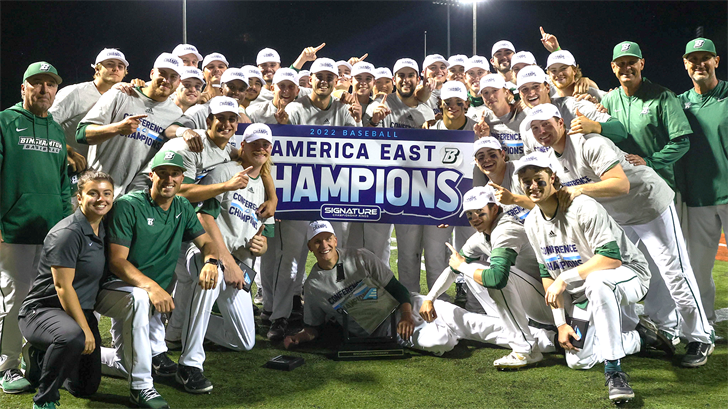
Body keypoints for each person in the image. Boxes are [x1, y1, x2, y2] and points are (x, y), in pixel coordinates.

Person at [524, 103, 714, 366]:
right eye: (535, 128)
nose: (541, 131)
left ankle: (701, 337)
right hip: (617, 217)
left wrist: (581, 191)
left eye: (546, 124)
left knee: (674, 271)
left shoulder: (588, 143)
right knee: (611, 273)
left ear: (560, 123)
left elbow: (621, 184)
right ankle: (636, 332)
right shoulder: (549, 160)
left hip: (648, 204)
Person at [515, 153, 669, 403]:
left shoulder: (582, 206)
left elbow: (610, 259)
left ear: (553, 177)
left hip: (628, 274)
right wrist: (560, 323)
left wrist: (564, 277)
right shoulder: (531, 222)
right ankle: (640, 337)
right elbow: (546, 272)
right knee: (578, 360)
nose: (532, 186)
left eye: (538, 179)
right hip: (583, 291)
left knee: (598, 282)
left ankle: (614, 371)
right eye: (526, 181)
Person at [95, 150, 219, 408]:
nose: (168, 179)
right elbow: (117, 262)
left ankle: (191, 364)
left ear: (182, 177)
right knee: (139, 302)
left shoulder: (182, 205)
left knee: (209, 270)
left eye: (174, 173)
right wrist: (152, 287)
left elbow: (207, 242)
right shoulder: (128, 205)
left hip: (151, 301)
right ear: (151, 175)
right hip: (119, 290)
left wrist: (211, 262)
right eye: (162, 173)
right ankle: (141, 387)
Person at [284, 221, 511, 356]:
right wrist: (299, 338)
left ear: (335, 240)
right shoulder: (313, 285)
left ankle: (541, 339)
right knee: (441, 341)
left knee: (473, 322)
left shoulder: (360, 256)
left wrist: (406, 315)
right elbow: (313, 327)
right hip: (385, 328)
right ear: (310, 247)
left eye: (327, 239)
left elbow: (397, 288)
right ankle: (450, 328)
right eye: (317, 242)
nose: (323, 245)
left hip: (406, 305)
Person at [261, 58, 361, 340]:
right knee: (290, 259)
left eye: (330, 76)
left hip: (335, 193)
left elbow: (359, 149)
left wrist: (360, 118)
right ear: (311, 79)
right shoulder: (294, 108)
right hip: (300, 194)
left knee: (335, 256)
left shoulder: (342, 109)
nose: (325, 81)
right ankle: (279, 317)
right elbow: (280, 151)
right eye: (320, 76)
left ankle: (340, 313)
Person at [176, 124, 275, 393]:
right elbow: (203, 217)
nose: (261, 148)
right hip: (206, 253)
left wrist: (262, 244)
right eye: (255, 143)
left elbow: (267, 233)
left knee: (244, 341)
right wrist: (227, 263)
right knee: (213, 277)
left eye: (266, 144)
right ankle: (189, 364)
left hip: (239, 266)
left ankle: (183, 325)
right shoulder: (224, 172)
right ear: (242, 146)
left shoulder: (266, 189)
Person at [425, 186, 558, 368]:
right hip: (535, 298)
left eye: (480, 212)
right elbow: (453, 268)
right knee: (474, 269)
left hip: (553, 302)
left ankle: (525, 349)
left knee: (492, 276)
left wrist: (462, 266)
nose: (475, 219)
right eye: (470, 214)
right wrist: (430, 298)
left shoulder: (506, 229)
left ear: (494, 208)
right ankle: (514, 330)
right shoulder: (482, 235)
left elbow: (497, 279)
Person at [0, 61, 72, 394]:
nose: (44, 90)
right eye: (37, 83)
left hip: (49, 233)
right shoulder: (5, 121)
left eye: (50, 84)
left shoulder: (56, 129)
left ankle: (33, 360)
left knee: (40, 301)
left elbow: (62, 185)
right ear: (23, 88)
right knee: (14, 299)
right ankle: (7, 366)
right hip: (12, 229)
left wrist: (63, 227)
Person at [18, 171, 114, 409]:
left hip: (77, 310)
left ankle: (41, 358)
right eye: (93, 193)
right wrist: (85, 329)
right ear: (79, 198)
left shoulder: (103, 227)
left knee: (85, 387)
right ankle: (44, 399)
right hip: (42, 310)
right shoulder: (67, 233)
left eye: (107, 193)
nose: (101, 199)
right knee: (72, 337)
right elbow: (62, 287)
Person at [76, 53, 186, 198]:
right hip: (98, 188)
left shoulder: (176, 114)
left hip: (135, 199)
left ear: (179, 82)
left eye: (173, 77)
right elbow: (82, 133)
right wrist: (117, 128)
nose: (167, 80)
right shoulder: (121, 94)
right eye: (163, 73)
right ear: (152, 73)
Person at [678, 37, 727, 332]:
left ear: (716, 61)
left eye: (705, 58)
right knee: (698, 268)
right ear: (685, 64)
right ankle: (704, 323)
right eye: (693, 59)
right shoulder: (679, 102)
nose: (699, 64)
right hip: (697, 198)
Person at [601, 41, 692, 194]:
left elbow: (681, 143)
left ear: (641, 64)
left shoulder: (663, 96)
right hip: (625, 189)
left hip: (660, 187)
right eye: (621, 63)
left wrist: (649, 162)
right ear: (613, 67)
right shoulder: (609, 100)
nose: (626, 68)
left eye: (632, 62)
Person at [516, 65, 627, 155]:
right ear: (520, 95)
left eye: (536, 86)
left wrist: (594, 126)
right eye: (524, 89)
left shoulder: (575, 106)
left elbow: (620, 131)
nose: (531, 93)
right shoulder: (525, 127)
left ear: (547, 87)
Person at [50, 48, 129, 158]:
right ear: (97, 69)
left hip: (97, 169)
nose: (116, 69)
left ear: (125, 72)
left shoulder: (126, 99)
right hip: (66, 163)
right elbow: (47, 122)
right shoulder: (75, 92)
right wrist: (65, 149)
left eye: (120, 66)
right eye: (110, 64)